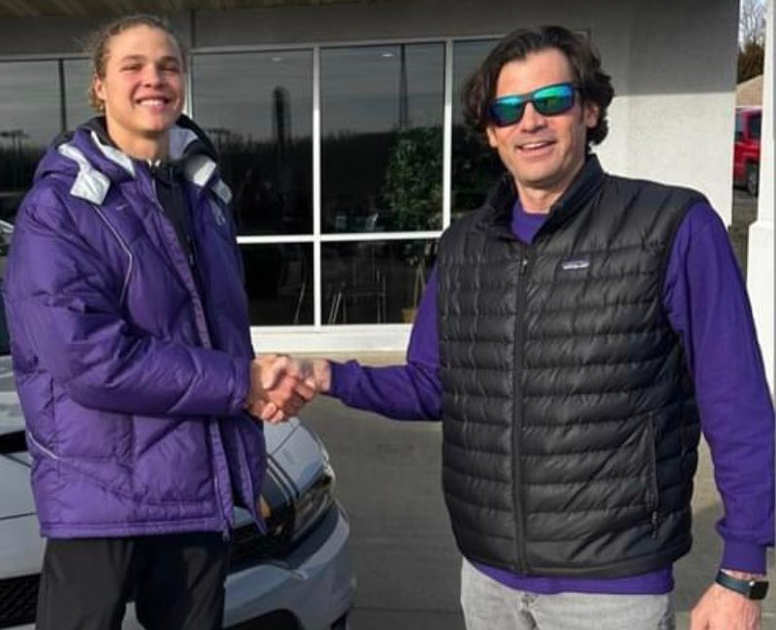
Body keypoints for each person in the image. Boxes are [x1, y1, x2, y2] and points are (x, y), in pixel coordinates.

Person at [282, 25, 774, 630]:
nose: (531, 121)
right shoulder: (463, 246)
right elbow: (433, 385)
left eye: (553, 101)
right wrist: (328, 373)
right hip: (487, 581)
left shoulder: (673, 227)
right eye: (509, 108)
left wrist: (742, 572)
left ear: (589, 110)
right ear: (490, 131)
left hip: (613, 589)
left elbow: (738, 404)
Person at [1, 14, 311, 630]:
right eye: (133, 67)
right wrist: (239, 383)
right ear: (100, 87)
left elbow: (213, 332)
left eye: (168, 66)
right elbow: (90, 359)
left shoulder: (204, 193)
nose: (154, 80)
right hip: (100, 495)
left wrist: (256, 389)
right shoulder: (60, 206)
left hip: (196, 488)